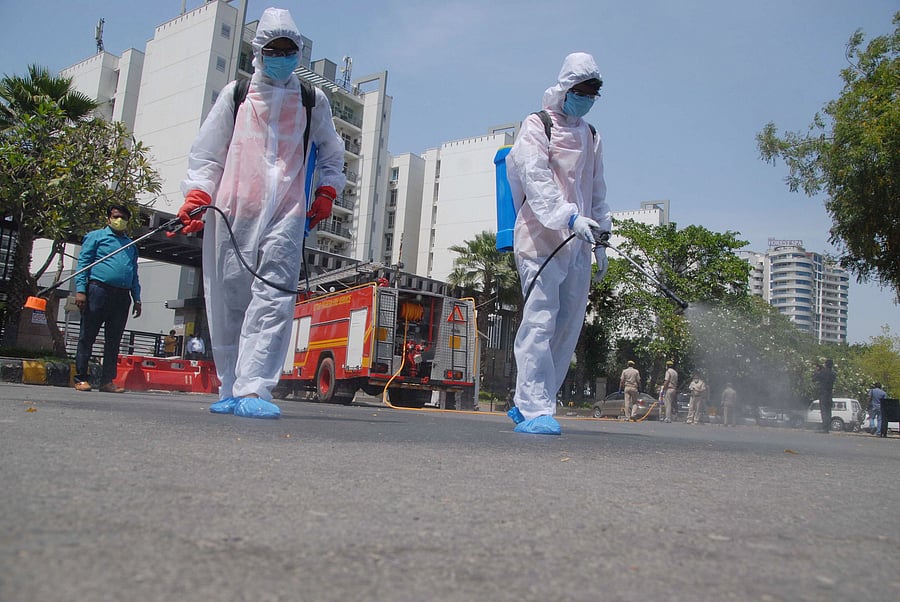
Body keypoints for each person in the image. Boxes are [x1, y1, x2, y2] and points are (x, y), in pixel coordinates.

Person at [174, 8, 345, 420]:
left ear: (299, 52)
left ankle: (255, 387)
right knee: (230, 299)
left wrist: (327, 189)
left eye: (290, 49)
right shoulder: (237, 94)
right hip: (234, 212)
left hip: (286, 213)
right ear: (259, 51)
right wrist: (198, 194)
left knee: (273, 298)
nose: (282, 55)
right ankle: (231, 385)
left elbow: (332, 150)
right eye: (275, 48)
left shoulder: (310, 98)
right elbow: (207, 154)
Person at [504, 52, 611, 436]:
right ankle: (535, 408)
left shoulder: (592, 135)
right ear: (565, 88)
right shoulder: (537, 125)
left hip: (578, 244)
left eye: (591, 93)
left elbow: (596, 190)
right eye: (579, 91)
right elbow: (534, 178)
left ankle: (530, 400)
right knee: (540, 321)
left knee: (568, 327)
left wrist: (602, 238)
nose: (584, 98)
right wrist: (568, 216)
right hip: (540, 241)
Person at [73, 204, 142, 393]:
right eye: (116, 216)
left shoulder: (131, 245)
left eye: (123, 218)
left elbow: (133, 272)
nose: (119, 220)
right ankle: (80, 378)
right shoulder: (96, 237)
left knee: (114, 339)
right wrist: (81, 290)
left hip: (122, 295)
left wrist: (137, 297)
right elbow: (84, 264)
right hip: (98, 291)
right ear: (108, 218)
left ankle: (107, 381)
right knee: (88, 336)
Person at [812, 359, 836, 432]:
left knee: (824, 411)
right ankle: (827, 427)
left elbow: (814, 379)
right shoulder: (833, 373)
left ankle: (824, 428)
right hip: (830, 393)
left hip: (823, 393)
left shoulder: (823, 372)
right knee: (828, 411)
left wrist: (818, 371)